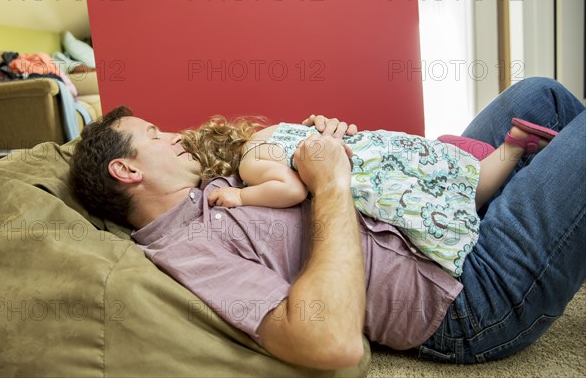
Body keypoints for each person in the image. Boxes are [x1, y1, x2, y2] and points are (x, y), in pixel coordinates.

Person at [69, 77, 586, 369]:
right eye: (154, 134)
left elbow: (285, 164)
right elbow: (328, 342)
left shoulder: (214, 189)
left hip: (436, 221)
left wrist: (321, 138)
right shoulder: (187, 249)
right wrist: (332, 183)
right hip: (465, 294)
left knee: (541, 98)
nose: (172, 134)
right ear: (127, 169)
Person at [179, 115, 557, 277]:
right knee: (449, 173)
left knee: (450, 200)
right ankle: (477, 154)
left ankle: (514, 145)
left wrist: (243, 199)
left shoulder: (249, 163)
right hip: (379, 149)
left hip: (370, 177)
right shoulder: (272, 131)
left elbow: (291, 189)